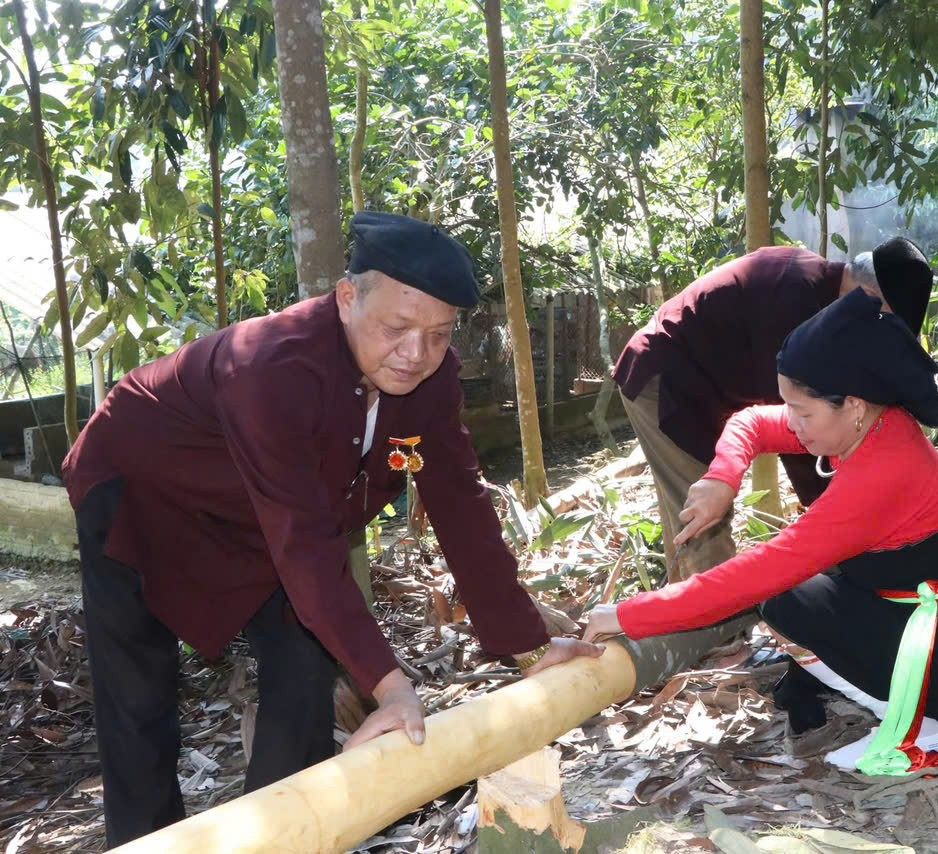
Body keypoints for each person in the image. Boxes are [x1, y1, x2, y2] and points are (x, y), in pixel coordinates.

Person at [62, 212, 603, 845]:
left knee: (304, 662)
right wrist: (392, 688)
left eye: (439, 334)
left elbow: (459, 503)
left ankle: (281, 835)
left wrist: (529, 645)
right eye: (397, 328)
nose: (416, 355)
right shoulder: (269, 368)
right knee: (138, 688)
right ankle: (145, 840)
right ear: (348, 298)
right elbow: (306, 544)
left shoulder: (431, 379)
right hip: (141, 491)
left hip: (266, 514)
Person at [585, 289, 938, 775]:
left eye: (802, 413)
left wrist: (626, 616)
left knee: (779, 597)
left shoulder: (881, 472)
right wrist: (722, 477)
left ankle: (916, 727)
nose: (794, 424)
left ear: (850, 404)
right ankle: (901, 701)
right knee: (792, 588)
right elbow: (751, 421)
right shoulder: (869, 420)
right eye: (792, 410)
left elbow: (757, 575)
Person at [613, 238, 934, 582]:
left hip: (704, 387)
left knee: (699, 512)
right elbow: (795, 417)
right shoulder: (794, 300)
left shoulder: (818, 288)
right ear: (869, 297)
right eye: (884, 321)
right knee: (703, 513)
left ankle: (691, 619)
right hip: (665, 383)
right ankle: (718, 631)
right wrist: (836, 512)